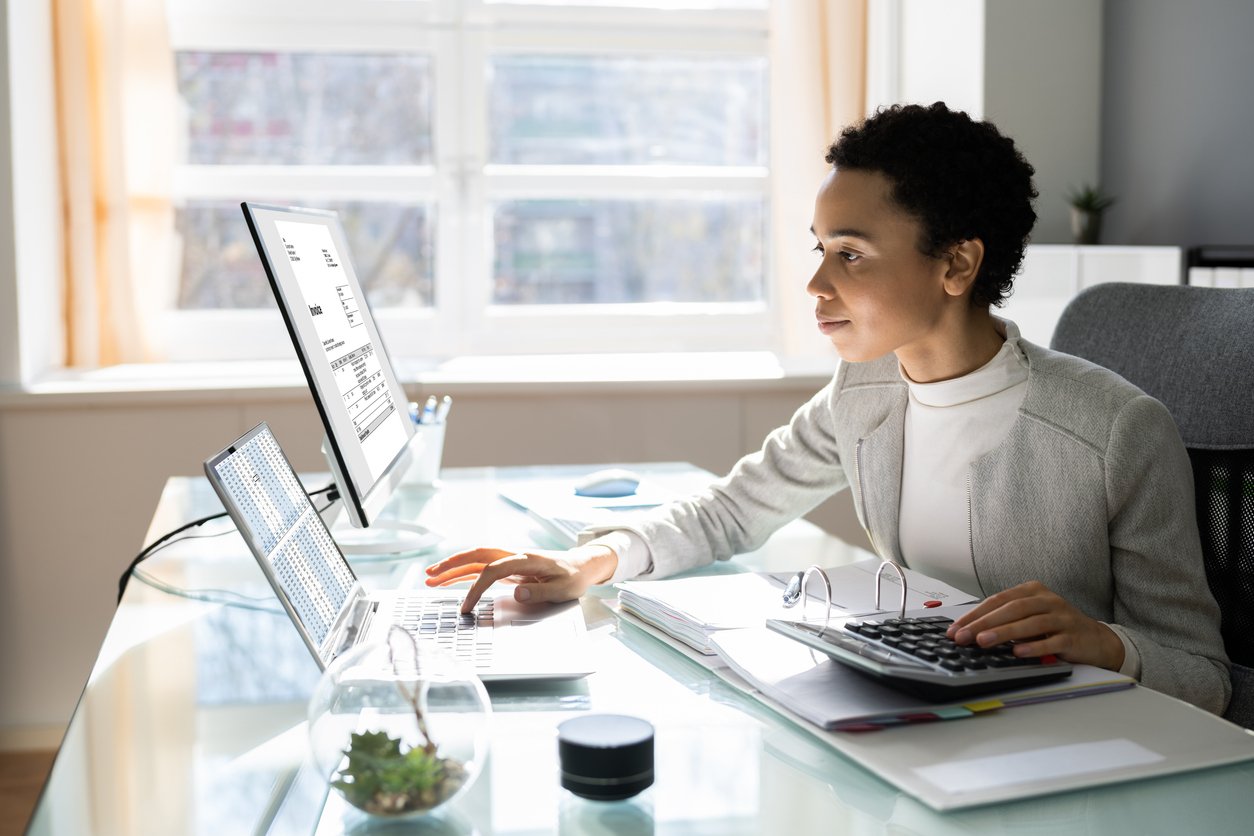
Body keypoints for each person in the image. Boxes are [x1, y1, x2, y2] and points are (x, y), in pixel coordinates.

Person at [426, 102, 1231, 714]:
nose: (817, 286)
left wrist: (1107, 644)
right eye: (820, 250)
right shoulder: (865, 390)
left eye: (851, 254)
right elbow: (733, 510)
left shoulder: (1118, 431)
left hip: (1071, 744)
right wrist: (589, 562)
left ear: (957, 264)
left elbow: (1207, 677)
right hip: (920, 715)